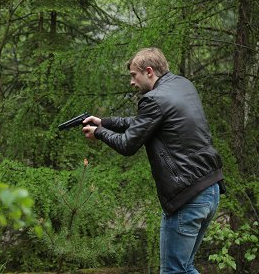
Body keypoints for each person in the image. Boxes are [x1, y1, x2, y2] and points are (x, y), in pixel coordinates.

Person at [82, 47, 225, 274]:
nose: (131, 81)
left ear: (149, 71)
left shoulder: (154, 99)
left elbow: (128, 144)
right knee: (184, 268)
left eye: (133, 75)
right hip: (210, 189)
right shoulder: (182, 85)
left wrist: (98, 133)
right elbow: (144, 123)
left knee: (172, 270)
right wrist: (105, 122)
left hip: (186, 197)